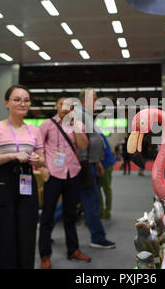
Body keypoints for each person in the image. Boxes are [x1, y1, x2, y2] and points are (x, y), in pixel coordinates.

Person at [0, 85, 44, 269]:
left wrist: (36, 159)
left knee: (26, 232)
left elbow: (43, 160)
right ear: (6, 103)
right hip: (2, 183)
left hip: (27, 181)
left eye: (26, 100)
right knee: (3, 233)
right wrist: (11, 156)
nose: (22, 103)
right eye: (17, 99)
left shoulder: (34, 130)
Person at [38, 96, 91, 269]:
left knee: (70, 215)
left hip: (72, 173)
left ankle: (73, 249)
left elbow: (83, 146)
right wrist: (43, 167)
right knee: (47, 216)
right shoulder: (47, 125)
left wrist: (75, 125)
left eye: (69, 105)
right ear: (56, 106)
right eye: (62, 104)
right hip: (53, 174)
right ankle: (45, 255)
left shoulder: (78, 124)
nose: (65, 108)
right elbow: (37, 147)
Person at [74, 88, 116, 249]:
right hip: (84, 165)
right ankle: (98, 237)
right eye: (95, 98)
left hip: (90, 163)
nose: (98, 101)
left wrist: (97, 160)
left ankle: (45, 224)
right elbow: (77, 141)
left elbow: (93, 139)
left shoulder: (86, 115)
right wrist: (88, 162)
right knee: (91, 201)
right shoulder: (79, 114)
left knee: (76, 201)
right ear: (84, 100)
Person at [97, 133, 115, 219]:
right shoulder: (95, 133)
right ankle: (101, 210)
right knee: (97, 188)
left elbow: (102, 151)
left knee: (106, 188)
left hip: (106, 164)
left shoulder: (98, 135)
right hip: (99, 164)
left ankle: (107, 212)